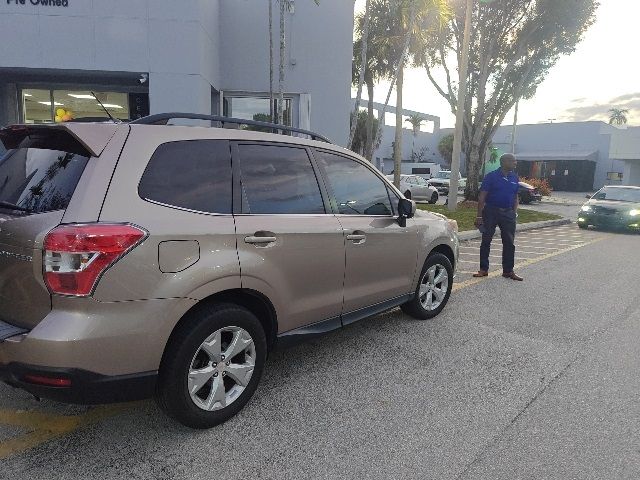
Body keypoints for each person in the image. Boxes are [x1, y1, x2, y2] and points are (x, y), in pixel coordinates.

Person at [473, 153, 523, 281]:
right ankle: (483, 269)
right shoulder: (491, 176)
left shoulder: (515, 177)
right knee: (486, 241)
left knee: (509, 243)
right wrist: (479, 216)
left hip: (508, 213)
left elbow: (516, 196)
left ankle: (508, 271)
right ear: (504, 162)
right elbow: (482, 196)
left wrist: (514, 212)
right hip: (491, 212)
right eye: (513, 161)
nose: (515, 163)